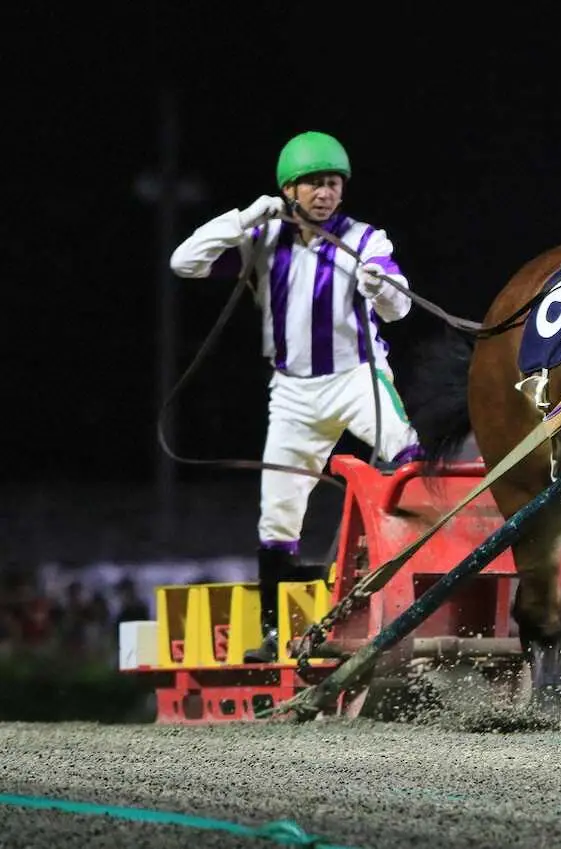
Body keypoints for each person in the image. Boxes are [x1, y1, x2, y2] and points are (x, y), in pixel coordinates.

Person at [170, 130, 422, 662]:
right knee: (276, 519)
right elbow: (184, 263)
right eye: (312, 183)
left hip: (358, 379)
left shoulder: (367, 238)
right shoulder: (263, 241)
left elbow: (400, 310)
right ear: (288, 190)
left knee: (409, 458)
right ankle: (271, 634)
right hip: (292, 394)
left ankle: (412, 580)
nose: (324, 193)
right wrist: (243, 218)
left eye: (332, 183)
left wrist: (380, 285)